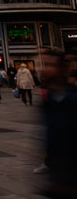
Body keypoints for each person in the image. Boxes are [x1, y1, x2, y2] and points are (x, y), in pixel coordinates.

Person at [39, 50, 77, 198]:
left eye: (49, 65)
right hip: (58, 177)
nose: (43, 69)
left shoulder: (73, 99)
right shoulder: (48, 100)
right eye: (42, 64)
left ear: (62, 69)